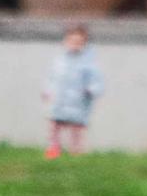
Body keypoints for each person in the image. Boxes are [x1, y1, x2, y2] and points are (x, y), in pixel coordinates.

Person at [42, 23, 106, 157]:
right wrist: (47, 90)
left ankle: (75, 151)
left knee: (76, 129)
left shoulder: (89, 64)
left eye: (79, 42)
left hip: (78, 102)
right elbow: (52, 78)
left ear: (84, 44)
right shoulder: (60, 61)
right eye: (72, 41)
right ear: (66, 42)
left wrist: (92, 90)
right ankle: (53, 149)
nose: (75, 45)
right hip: (60, 101)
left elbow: (96, 81)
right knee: (55, 126)